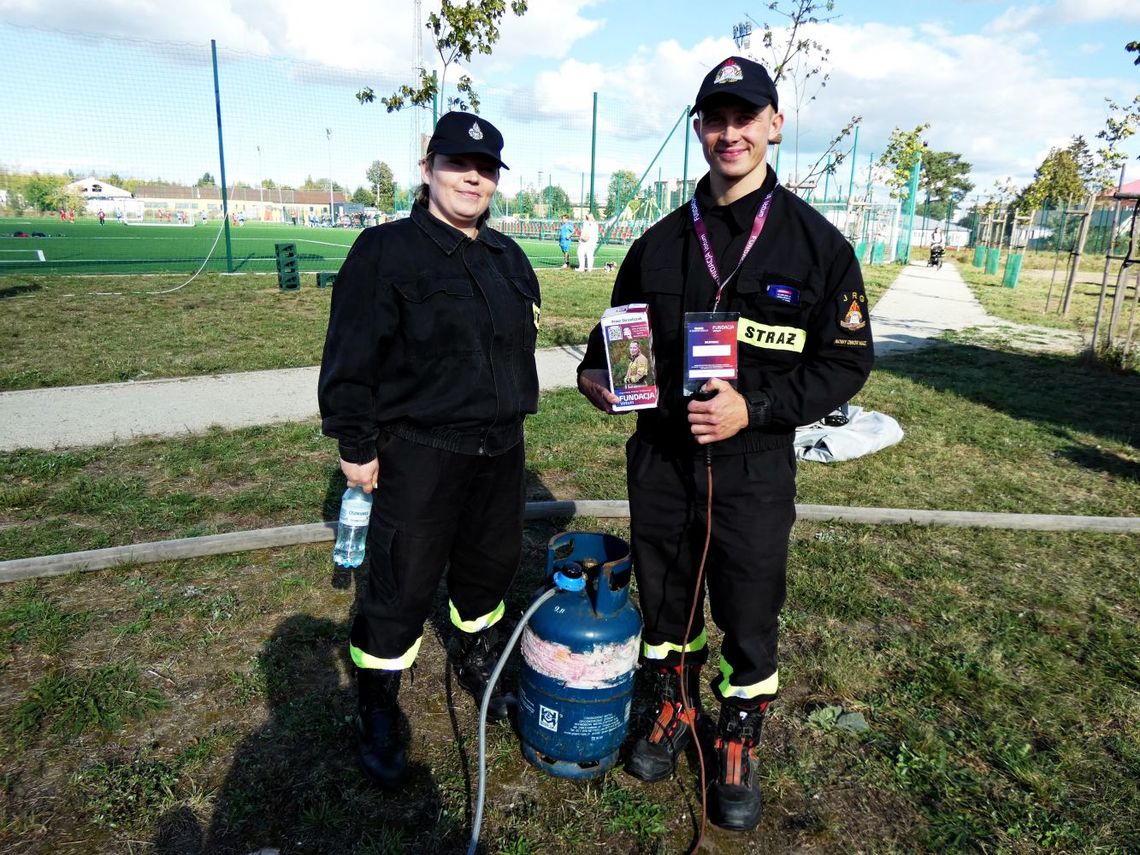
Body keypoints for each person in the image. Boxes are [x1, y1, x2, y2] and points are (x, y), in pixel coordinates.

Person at [576, 56, 874, 831]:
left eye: (747, 117)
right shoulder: (658, 244)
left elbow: (847, 361)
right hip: (664, 459)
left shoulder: (817, 247)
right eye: (716, 119)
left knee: (748, 608)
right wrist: (599, 379)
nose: (730, 133)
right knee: (667, 597)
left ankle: (738, 732)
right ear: (699, 129)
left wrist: (760, 406)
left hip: (753, 464)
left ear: (774, 125)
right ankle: (672, 704)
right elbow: (609, 345)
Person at [318, 111, 540, 790]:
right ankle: (377, 703)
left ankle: (475, 655)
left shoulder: (509, 258)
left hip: (500, 453)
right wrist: (356, 445)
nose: (472, 178)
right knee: (399, 583)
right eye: (457, 164)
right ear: (428, 169)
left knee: (488, 569)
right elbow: (349, 359)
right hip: (421, 452)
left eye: (485, 169)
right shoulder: (383, 253)